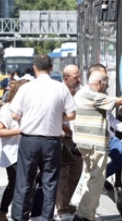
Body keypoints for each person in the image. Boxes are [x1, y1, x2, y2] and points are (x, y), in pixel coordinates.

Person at [10, 54, 76, 221]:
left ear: (34, 68)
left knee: (24, 183)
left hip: (29, 140)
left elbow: (14, 114)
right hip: (51, 141)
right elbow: (71, 114)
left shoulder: (26, 88)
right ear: (51, 68)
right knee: (50, 183)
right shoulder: (61, 88)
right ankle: (47, 218)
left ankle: (20, 218)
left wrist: (29, 116)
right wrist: (56, 117)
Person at [72, 71, 122, 221]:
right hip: (95, 145)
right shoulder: (93, 95)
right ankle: (84, 215)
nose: (107, 86)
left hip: (86, 144)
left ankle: (85, 211)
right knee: (96, 180)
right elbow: (119, 101)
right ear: (100, 83)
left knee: (89, 178)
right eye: (106, 83)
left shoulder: (82, 94)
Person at [87, 64, 122, 192]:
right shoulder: (87, 94)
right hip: (94, 137)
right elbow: (119, 101)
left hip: (108, 136)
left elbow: (110, 118)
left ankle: (101, 179)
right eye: (103, 76)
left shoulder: (105, 93)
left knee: (121, 154)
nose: (106, 78)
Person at [0, 79, 29, 221]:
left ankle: (23, 213)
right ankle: (3, 211)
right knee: (15, 183)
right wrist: (20, 131)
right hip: (12, 153)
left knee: (28, 184)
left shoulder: (31, 108)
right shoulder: (7, 108)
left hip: (29, 152)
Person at [55, 64, 84, 221]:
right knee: (63, 176)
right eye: (75, 77)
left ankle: (72, 207)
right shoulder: (59, 93)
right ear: (66, 79)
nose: (79, 79)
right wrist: (73, 132)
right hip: (64, 139)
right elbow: (56, 118)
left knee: (76, 174)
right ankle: (63, 210)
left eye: (79, 76)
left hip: (79, 141)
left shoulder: (82, 92)